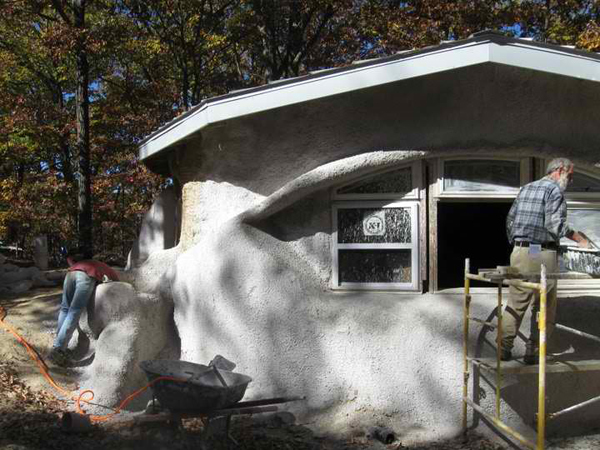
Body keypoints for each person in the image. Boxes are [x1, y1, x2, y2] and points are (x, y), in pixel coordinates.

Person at [501, 158, 590, 364]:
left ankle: (503, 349)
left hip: (520, 252)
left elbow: (510, 220)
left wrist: (517, 244)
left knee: (516, 302)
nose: (572, 179)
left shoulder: (526, 189)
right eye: (571, 174)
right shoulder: (554, 191)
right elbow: (554, 225)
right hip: (542, 253)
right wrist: (579, 238)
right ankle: (533, 351)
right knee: (544, 305)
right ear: (559, 170)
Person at [48, 249, 119, 366]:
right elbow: (114, 285)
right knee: (74, 312)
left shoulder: (92, 263)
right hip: (84, 276)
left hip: (70, 274)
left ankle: (58, 342)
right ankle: (58, 350)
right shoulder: (111, 272)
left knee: (65, 309)